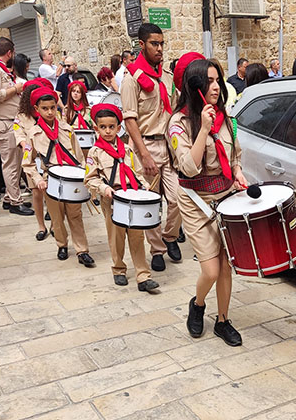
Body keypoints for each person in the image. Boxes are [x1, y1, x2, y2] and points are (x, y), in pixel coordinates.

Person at [168, 56, 248, 346]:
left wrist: (238, 173)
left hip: (226, 197)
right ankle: (198, 304)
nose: (216, 87)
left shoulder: (226, 118)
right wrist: (203, 129)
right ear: (196, 86)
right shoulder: (178, 124)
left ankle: (223, 321)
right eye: (209, 81)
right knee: (211, 269)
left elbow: (235, 155)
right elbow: (189, 167)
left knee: (226, 266)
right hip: (195, 200)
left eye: (218, 80)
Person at [121, 22, 182, 272]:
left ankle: (170, 236)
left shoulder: (166, 77)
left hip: (169, 146)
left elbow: (175, 109)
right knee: (152, 201)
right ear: (141, 44)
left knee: (178, 198)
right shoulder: (131, 79)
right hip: (146, 144)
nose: (159, 49)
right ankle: (157, 249)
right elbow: (130, 120)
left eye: (162, 44)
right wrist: (144, 154)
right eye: (154, 44)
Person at [84, 103, 159, 293]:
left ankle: (143, 276)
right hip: (112, 199)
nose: (108, 131)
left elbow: (137, 172)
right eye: (103, 127)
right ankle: (118, 269)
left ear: (119, 128)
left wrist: (144, 185)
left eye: (112, 127)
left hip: (132, 196)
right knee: (116, 236)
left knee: (137, 236)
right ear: (96, 128)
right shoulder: (95, 152)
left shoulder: (127, 149)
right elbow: (90, 179)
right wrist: (104, 188)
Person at [22, 86, 95, 266]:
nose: (49, 112)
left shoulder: (67, 129)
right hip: (50, 180)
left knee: (75, 215)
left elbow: (79, 157)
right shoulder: (33, 134)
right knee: (56, 217)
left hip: (72, 179)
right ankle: (62, 245)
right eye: (45, 108)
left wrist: (84, 176)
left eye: (53, 107)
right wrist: (38, 180)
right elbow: (27, 163)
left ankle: (82, 250)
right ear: (36, 109)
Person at [0, 37, 33, 216]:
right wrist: (17, 89)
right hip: (2, 122)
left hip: (8, 121)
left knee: (15, 163)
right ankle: (16, 202)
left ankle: (10, 197)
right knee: (11, 164)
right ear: (9, 53)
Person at [14, 78, 54, 240]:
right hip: (32, 159)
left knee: (52, 192)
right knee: (36, 192)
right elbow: (18, 134)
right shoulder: (21, 117)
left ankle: (54, 223)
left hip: (50, 159)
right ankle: (41, 226)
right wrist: (27, 145)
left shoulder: (49, 113)